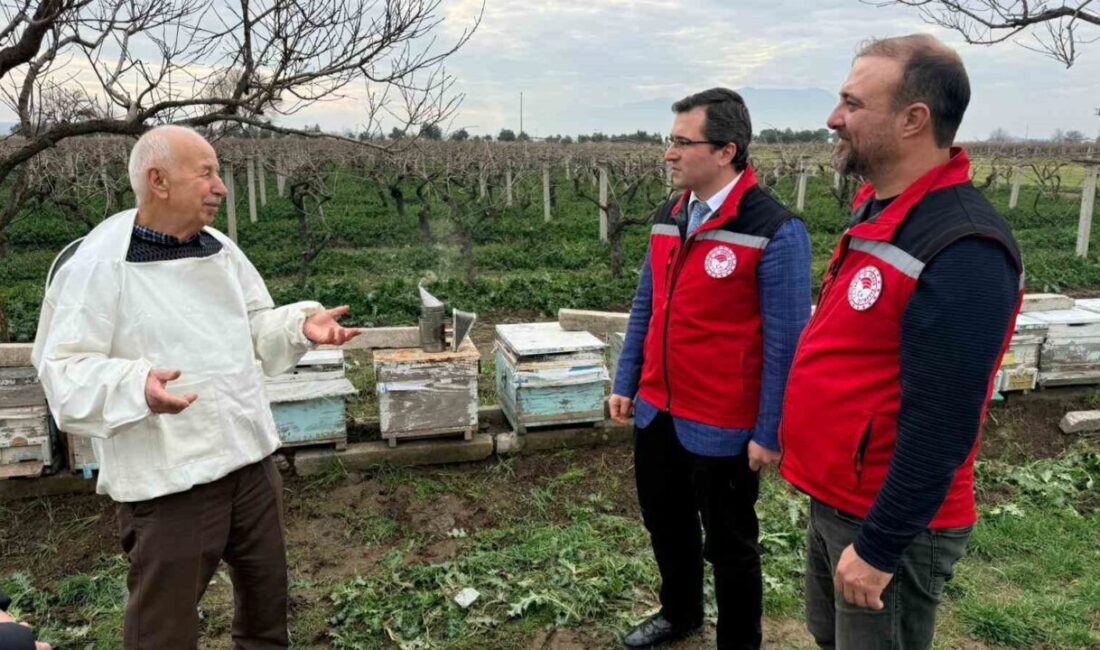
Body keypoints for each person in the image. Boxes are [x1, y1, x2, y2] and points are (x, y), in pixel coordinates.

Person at [31, 125, 363, 650]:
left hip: (248, 461)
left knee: (266, 604)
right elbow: (62, 368)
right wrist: (136, 385)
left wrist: (298, 326)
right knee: (163, 630)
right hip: (170, 481)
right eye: (206, 173)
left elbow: (253, 324)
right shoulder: (98, 265)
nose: (220, 186)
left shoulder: (220, 249)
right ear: (158, 181)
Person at [778, 34, 1022, 650]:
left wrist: (881, 546)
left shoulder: (964, 246)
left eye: (852, 103)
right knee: (830, 637)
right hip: (840, 497)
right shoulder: (882, 210)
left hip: (888, 521)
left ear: (914, 119)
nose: (833, 118)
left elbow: (943, 421)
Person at [610, 88, 812, 650]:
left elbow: (786, 344)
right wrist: (628, 381)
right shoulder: (668, 216)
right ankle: (680, 614)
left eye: (682, 142)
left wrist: (770, 431)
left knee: (730, 544)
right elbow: (646, 306)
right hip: (659, 410)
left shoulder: (774, 229)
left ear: (726, 151)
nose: (669, 153)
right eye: (669, 140)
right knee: (665, 523)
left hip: (724, 425)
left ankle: (739, 642)